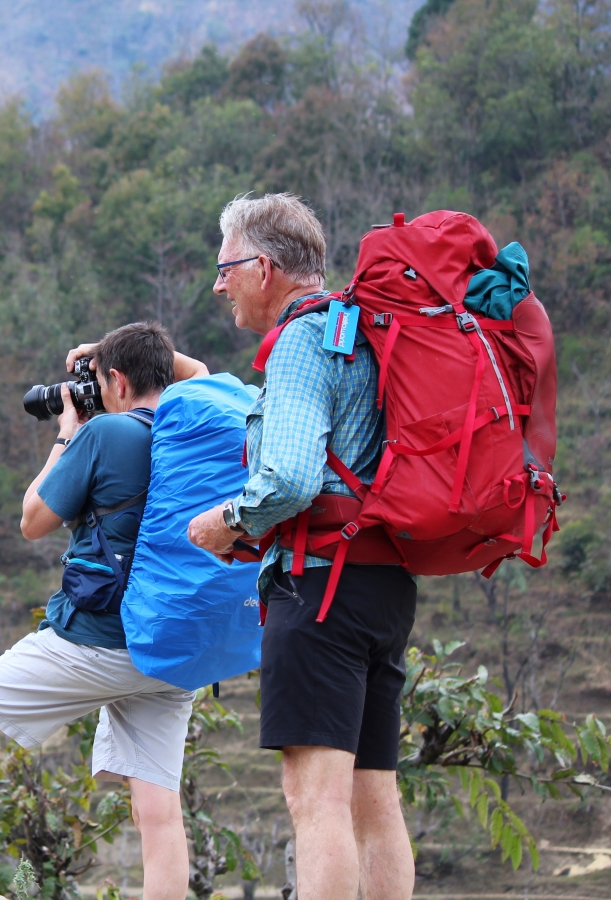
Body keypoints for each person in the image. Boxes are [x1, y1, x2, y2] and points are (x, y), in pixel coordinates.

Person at [0, 322, 207, 900]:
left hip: (98, 642)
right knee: (159, 814)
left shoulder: (106, 434)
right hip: (175, 645)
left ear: (116, 382)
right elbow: (194, 374)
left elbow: (33, 520)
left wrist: (66, 436)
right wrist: (116, 357)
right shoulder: (196, 420)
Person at [187, 194, 415, 900]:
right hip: (383, 586)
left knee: (314, 800)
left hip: (320, 592)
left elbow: (288, 479)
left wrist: (226, 521)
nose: (219, 285)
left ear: (261, 267)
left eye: (225, 269)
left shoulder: (301, 343)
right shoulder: (365, 334)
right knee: (374, 802)